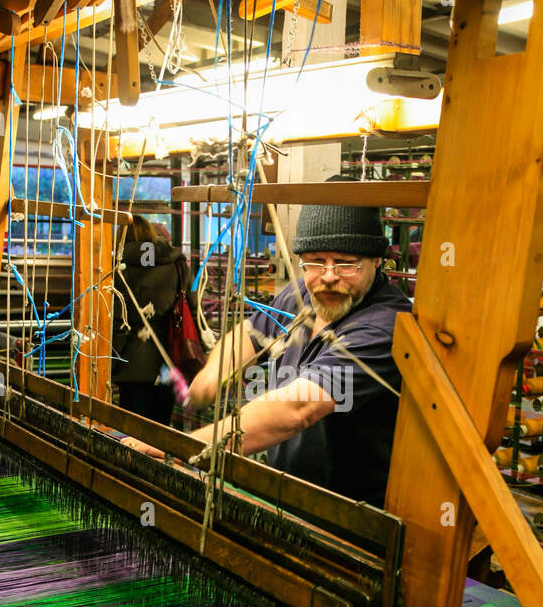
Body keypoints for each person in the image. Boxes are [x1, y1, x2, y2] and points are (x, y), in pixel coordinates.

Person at [124, 204, 412, 509]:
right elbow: (247, 335)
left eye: (345, 263)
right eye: (315, 262)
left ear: (376, 261)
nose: (328, 276)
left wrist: (186, 447)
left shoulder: (385, 325)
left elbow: (298, 407)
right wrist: (211, 375)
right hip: (287, 495)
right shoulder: (302, 293)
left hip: (350, 514)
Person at [112, 217, 189, 424]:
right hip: (169, 357)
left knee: (134, 433)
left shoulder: (117, 268)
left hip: (132, 364)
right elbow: (190, 306)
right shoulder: (176, 263)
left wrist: (111, 360)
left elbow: (118, 320)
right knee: (162, 428)